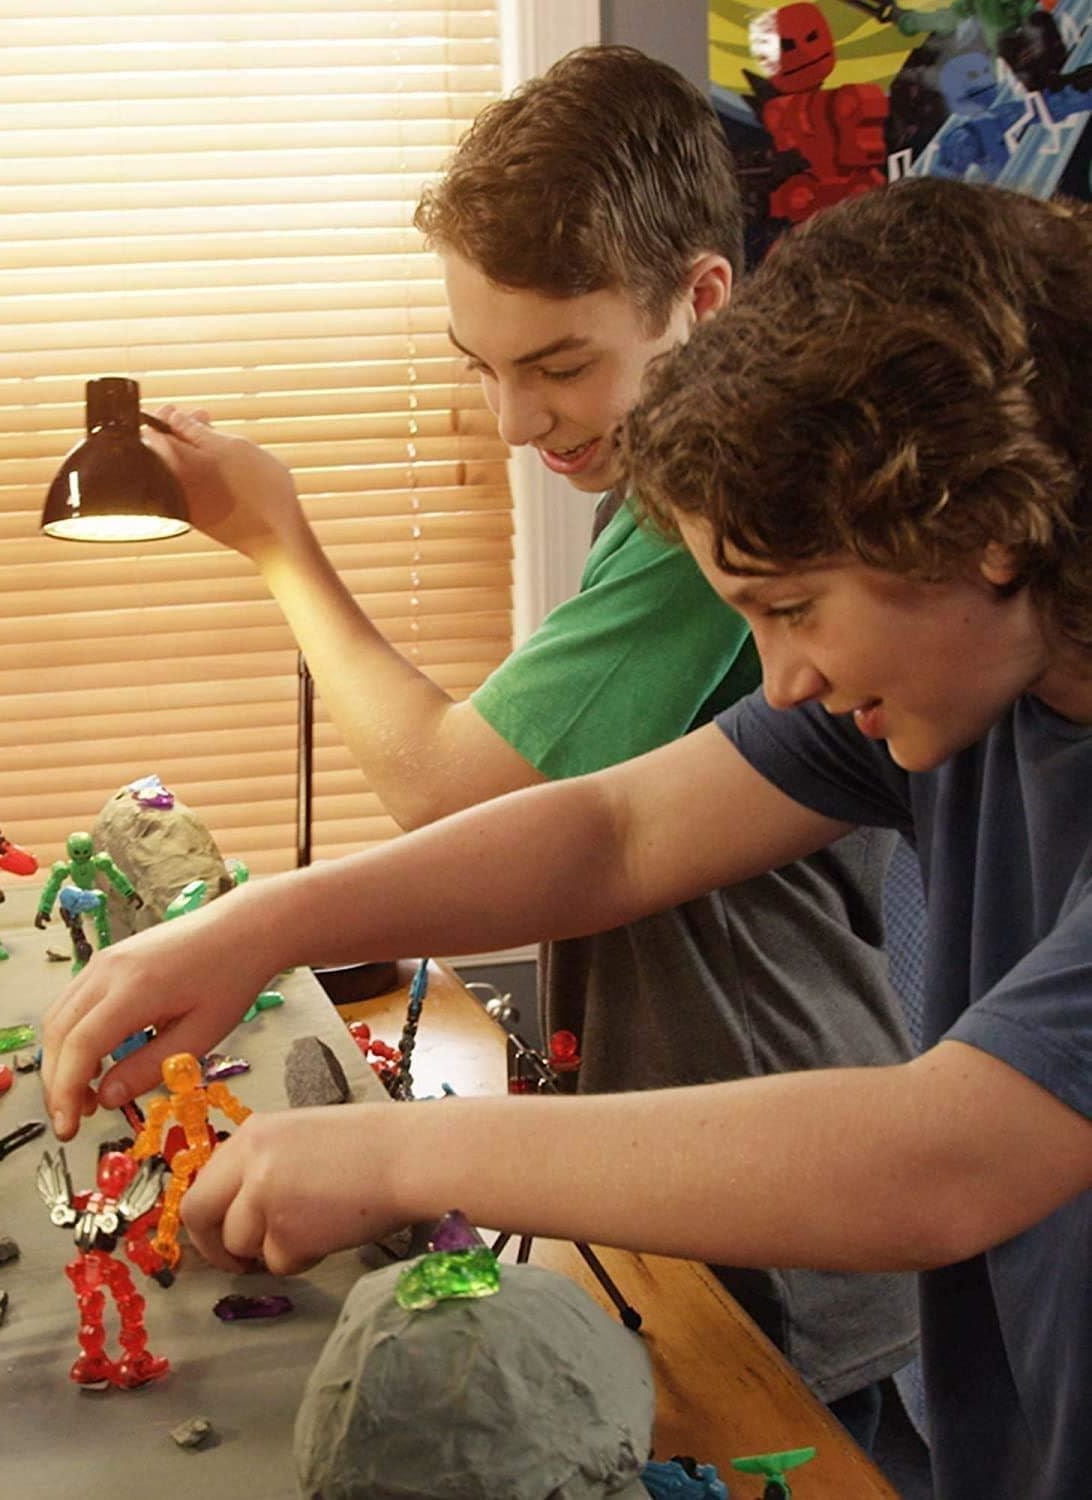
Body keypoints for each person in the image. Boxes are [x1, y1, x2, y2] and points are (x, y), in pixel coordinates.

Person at [41, 177, 1092, 1500]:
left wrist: (402, 1155)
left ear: (983, 532)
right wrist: (256, 927)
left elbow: (944, 1159)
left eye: (794, 610)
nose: (782, 681)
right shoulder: (964, 675)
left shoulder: (941, 673)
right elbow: (618, 827)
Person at [134, 45, 916, 1431]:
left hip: (775, 1162)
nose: (512, 421)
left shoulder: (707, 528)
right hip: (678, 1139)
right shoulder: (679, 517)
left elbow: (454, 789)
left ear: (703, 301)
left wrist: (276, 541)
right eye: (482, 369)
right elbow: (604, 831)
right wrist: (263, 925)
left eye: (559, 366)